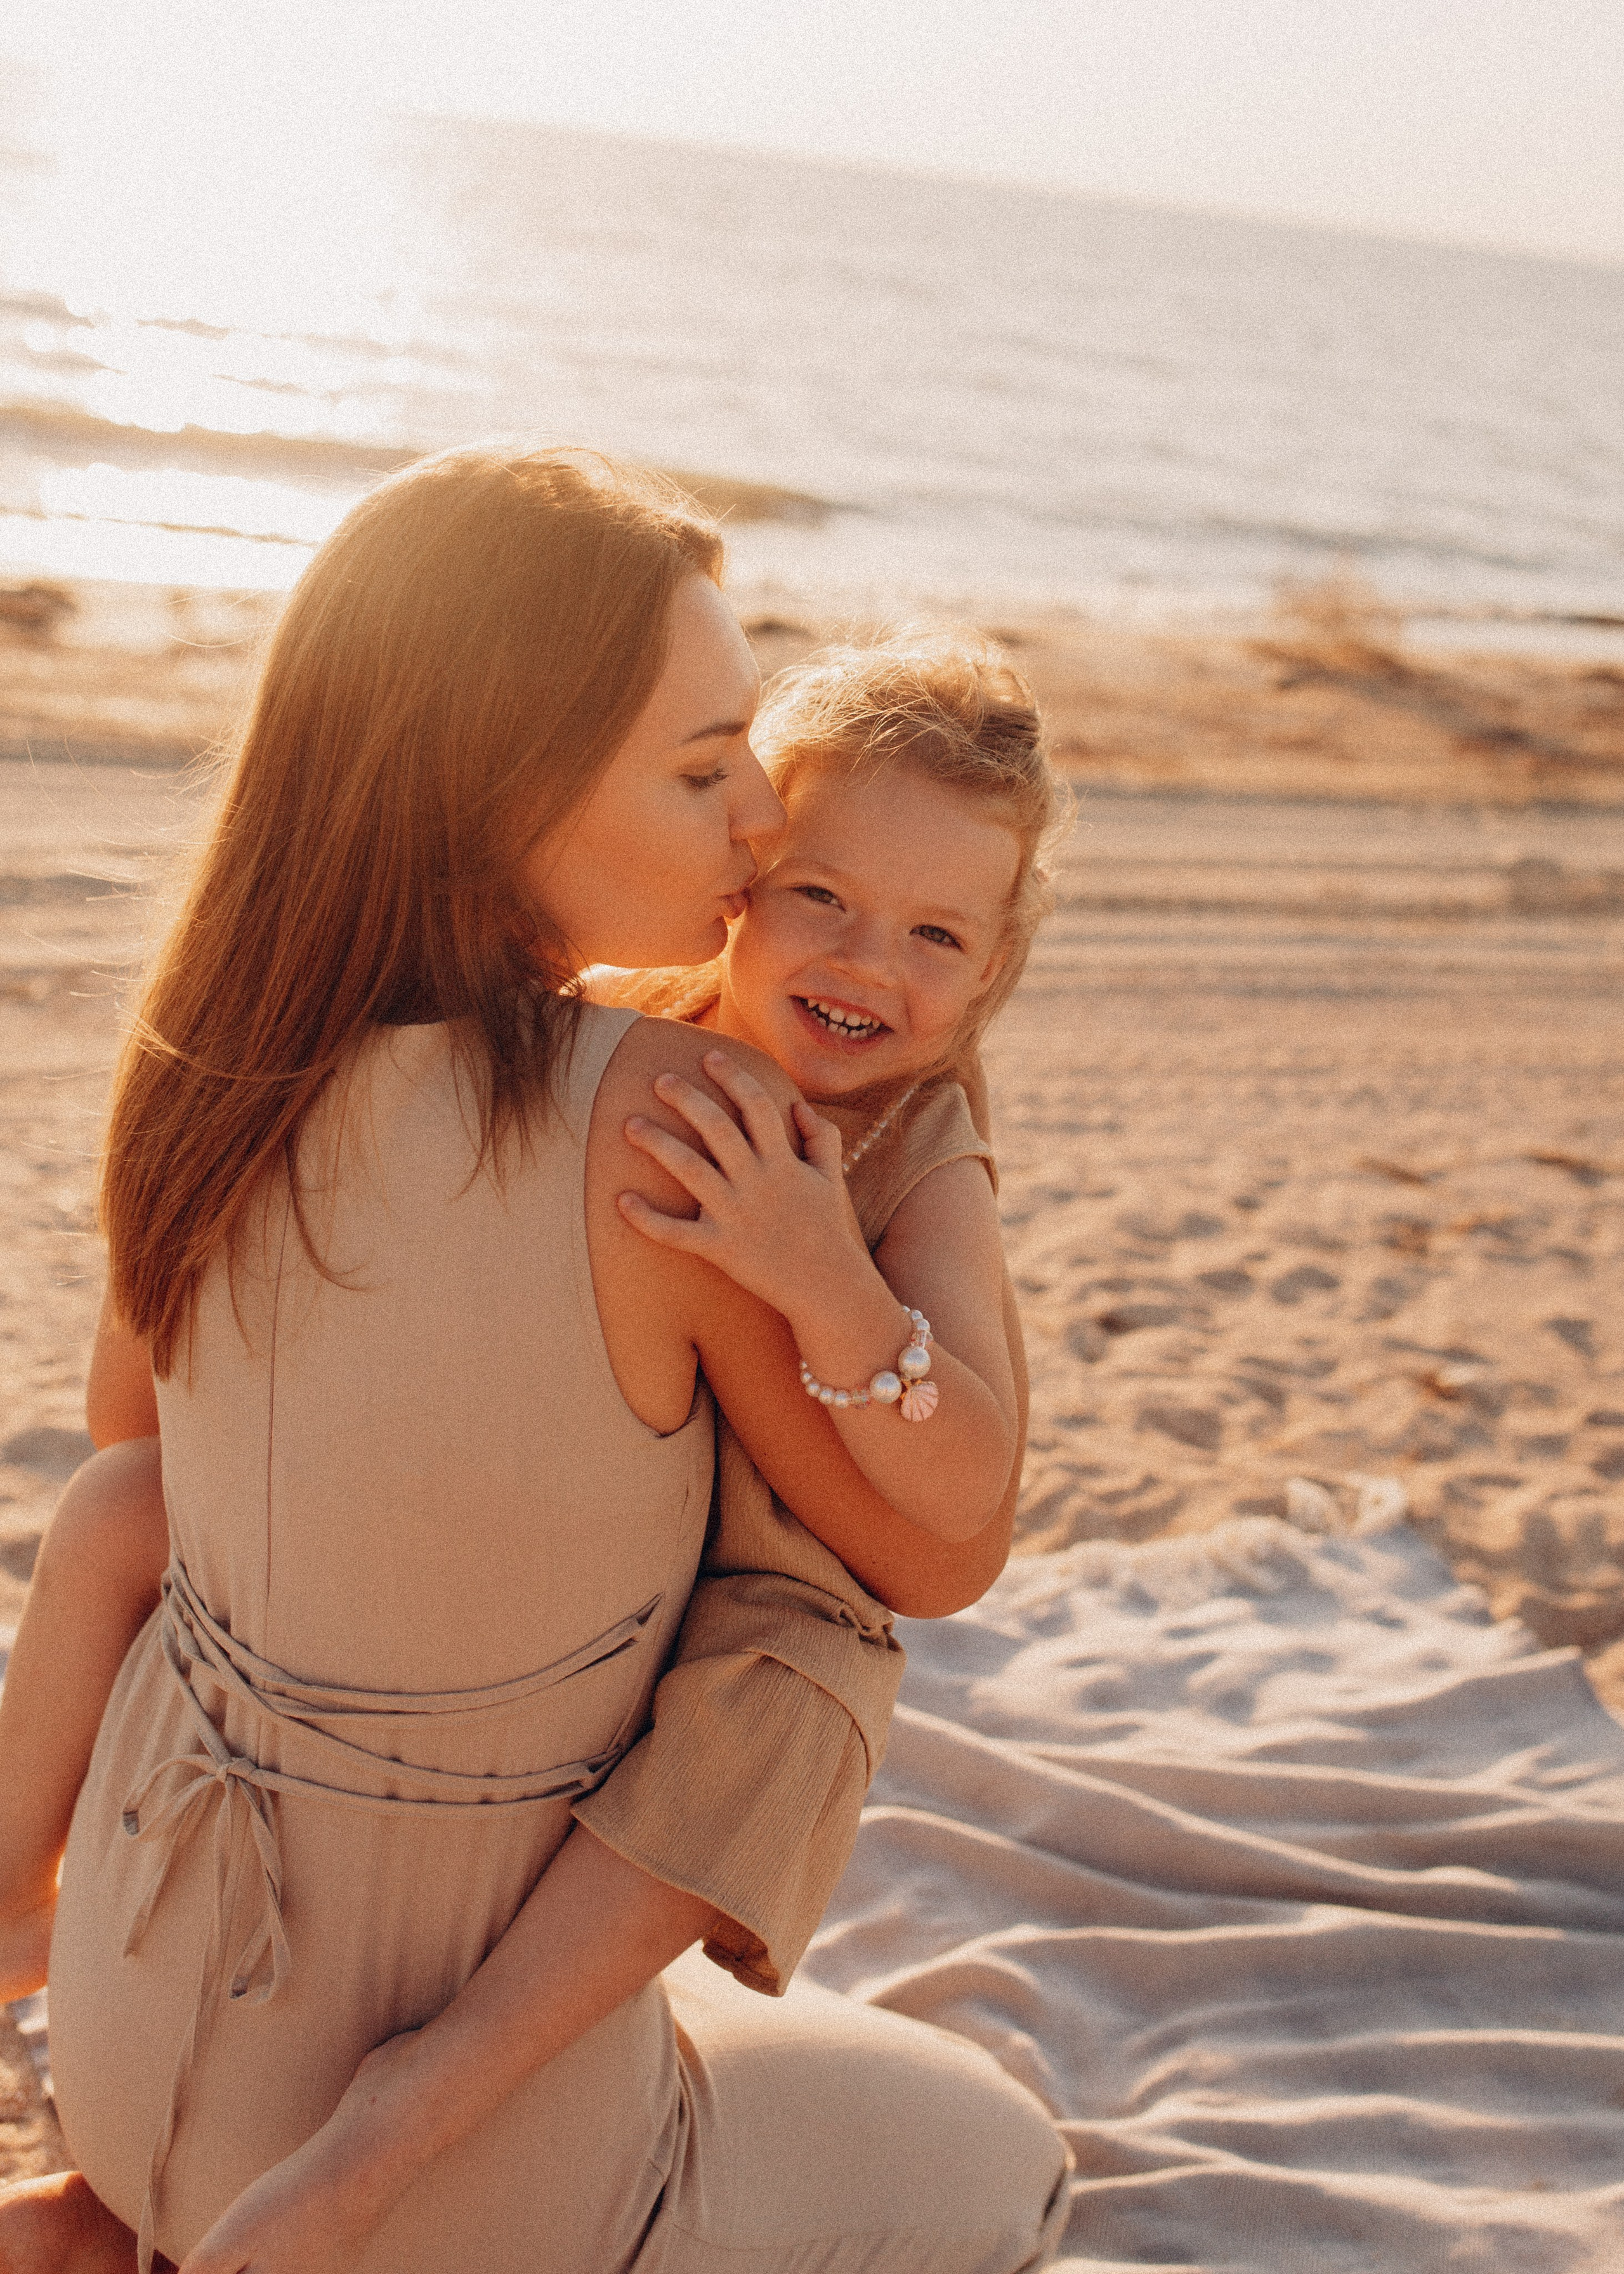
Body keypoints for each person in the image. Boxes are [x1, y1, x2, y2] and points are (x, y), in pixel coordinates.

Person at [0, 449, 1070, 2274]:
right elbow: (935, 1554)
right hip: (432, 2172)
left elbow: (144, 1456)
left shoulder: (214, 1054)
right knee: (1008, 2151)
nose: (757, 824)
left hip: (122, 2012)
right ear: (508, 785)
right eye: (705, 767)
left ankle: (105, 2215)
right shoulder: (683, 1119)